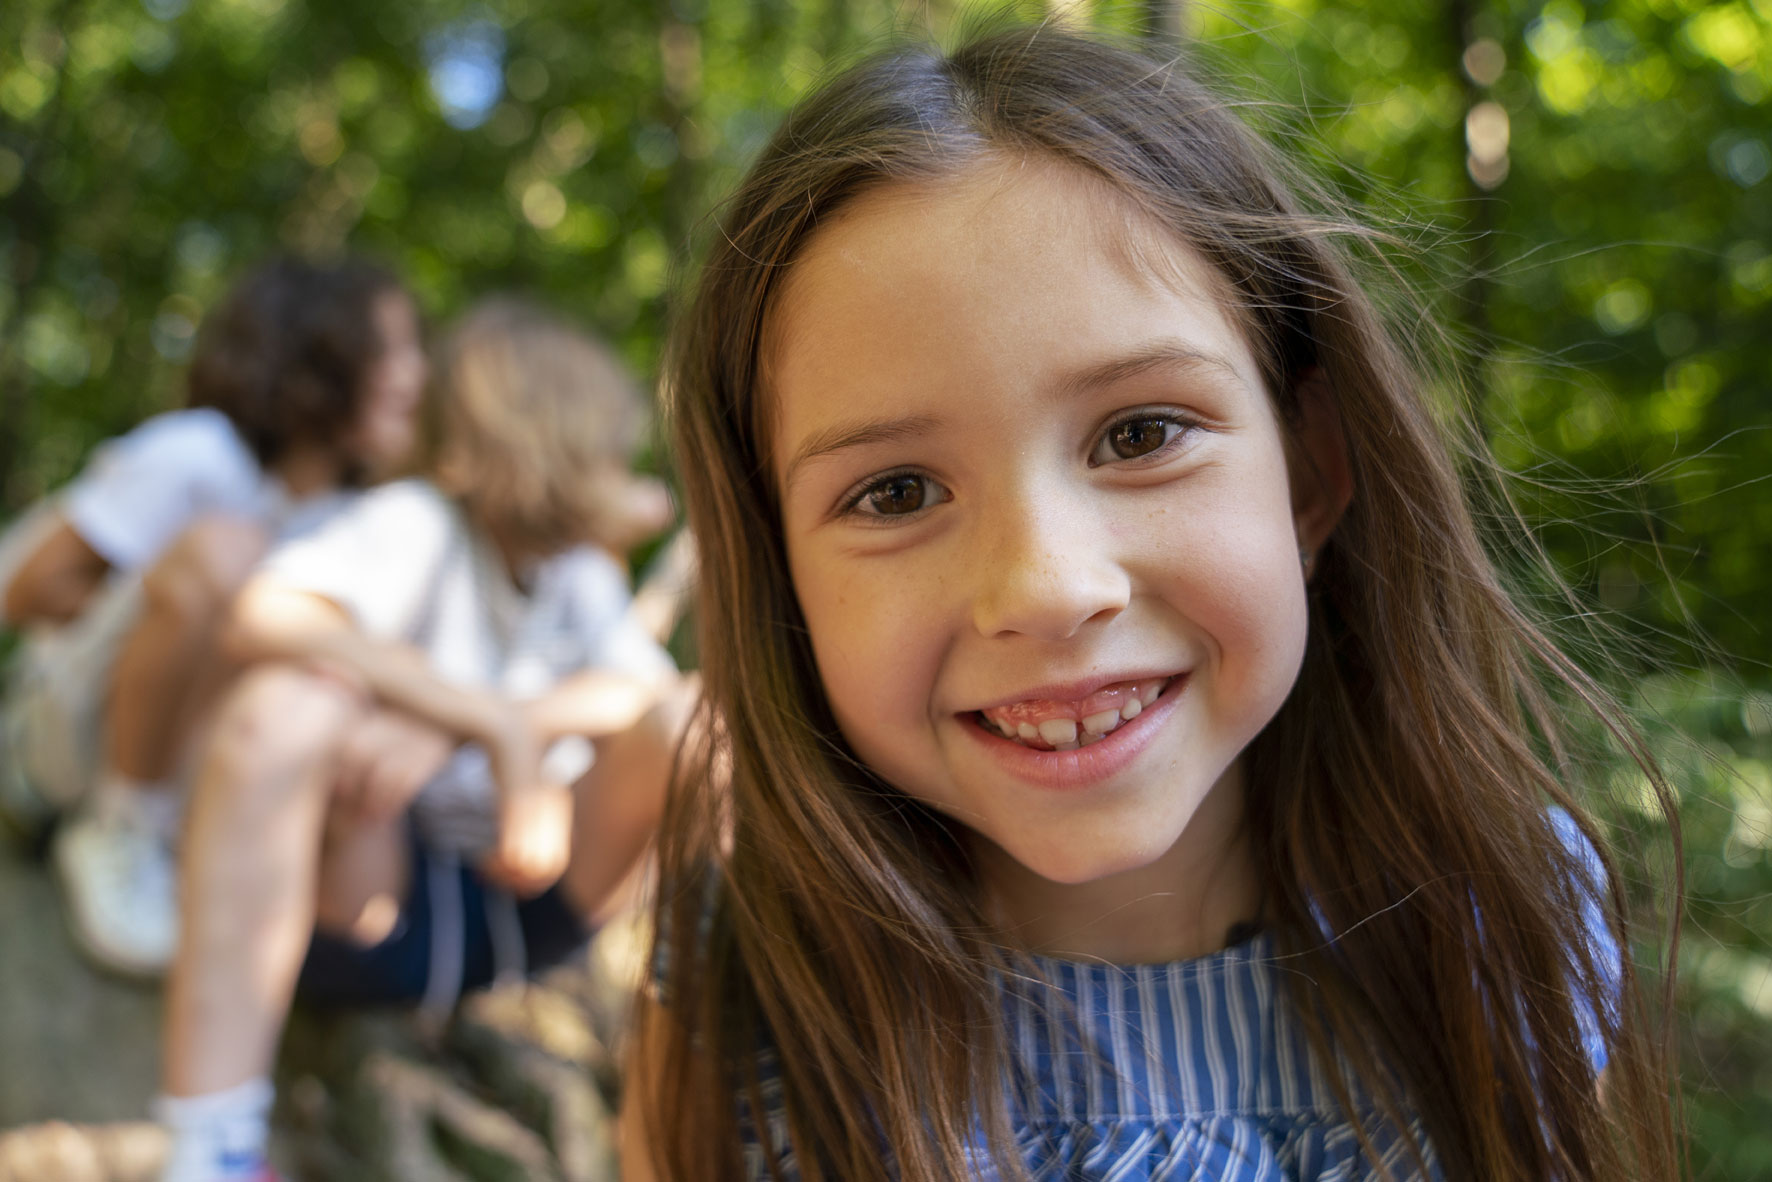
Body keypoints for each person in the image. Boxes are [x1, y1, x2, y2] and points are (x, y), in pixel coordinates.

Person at [622, 24, 1681, 1182]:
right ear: (780, 574)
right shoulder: (747, 974)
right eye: (895, 492)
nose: (1046, 588)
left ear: (1311, 471)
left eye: (1139, 434)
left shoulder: (1498, 928)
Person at [155, 298, 689, 1182]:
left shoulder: (578, 575)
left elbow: (654, 696)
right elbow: (265, 612)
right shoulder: (417, 524)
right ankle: (210, 1144)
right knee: (287, 709)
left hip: (529, 908)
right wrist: (479, 722)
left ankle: (696, 1122)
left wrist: (500, 726)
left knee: (698, 727)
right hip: (380, 902)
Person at [0, 256, 426, 976]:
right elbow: (28, 592)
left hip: (203, 760)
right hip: (70, 732)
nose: (417, 376)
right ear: (322, 352)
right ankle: (121, 829)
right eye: (396, 348)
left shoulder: (351, 521)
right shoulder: (201, 456)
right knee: (228, 563)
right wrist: (185, 619)